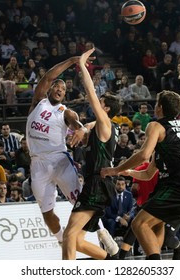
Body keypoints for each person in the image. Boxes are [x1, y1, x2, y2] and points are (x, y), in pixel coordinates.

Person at [26, 49, 118, 255]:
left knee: (81, 201)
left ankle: (102, 231)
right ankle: (62, 240)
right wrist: (72, 60)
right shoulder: (38, 103)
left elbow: (75, 123)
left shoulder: (66, 111)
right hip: (37, 164)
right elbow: (48, 76)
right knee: (47, 214)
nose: (59, 89)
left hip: (59, 160)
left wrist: (81, 128)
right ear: (49, 89)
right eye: (56, 86)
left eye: (62, 88)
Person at [101, 90, 180, 260]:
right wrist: (129, 172)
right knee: (156, 226)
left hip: (179, 183)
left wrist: (115, 170)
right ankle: (156, 258)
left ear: (159, 107)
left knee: (139, 223)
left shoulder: (156, 126)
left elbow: (143, 155)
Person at [62, 48, 121, 260]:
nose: (97, 104)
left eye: (101, 103)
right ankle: (112, 261)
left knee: (69, 235)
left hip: (97, 184)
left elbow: (90, 91)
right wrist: (84, 129)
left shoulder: (105, 123)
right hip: (98, 184)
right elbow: (89, 125)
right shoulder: (102, 126)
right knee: (77, 241)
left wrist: (83, 64)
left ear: (105, 109)